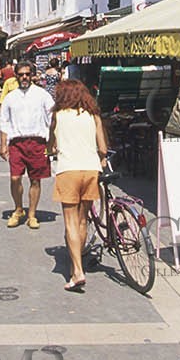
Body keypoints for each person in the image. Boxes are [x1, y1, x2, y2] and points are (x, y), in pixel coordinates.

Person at [47, 79, 109, 292]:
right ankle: (78, 262)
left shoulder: (58, 115)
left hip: (69, 170)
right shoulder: (93, 115)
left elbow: (50, 143)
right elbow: (103, 147)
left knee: (71, 222)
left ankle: (77, 271)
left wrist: (50, 150)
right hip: (91, 170)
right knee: (83, 221)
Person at [0, 62, 55, 230]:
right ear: (16, 75)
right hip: (16, 143)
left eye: (27, 74)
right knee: (15, 178)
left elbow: (52, 118)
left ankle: (32, 215)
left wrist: (53, 142)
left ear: (33, 75)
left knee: (35, 180)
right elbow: (4, 122)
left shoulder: (42, 95)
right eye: (21, 74)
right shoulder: (10, 97)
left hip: (37, 142)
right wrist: (3, 145)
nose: (24, 77)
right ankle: (18, 209)